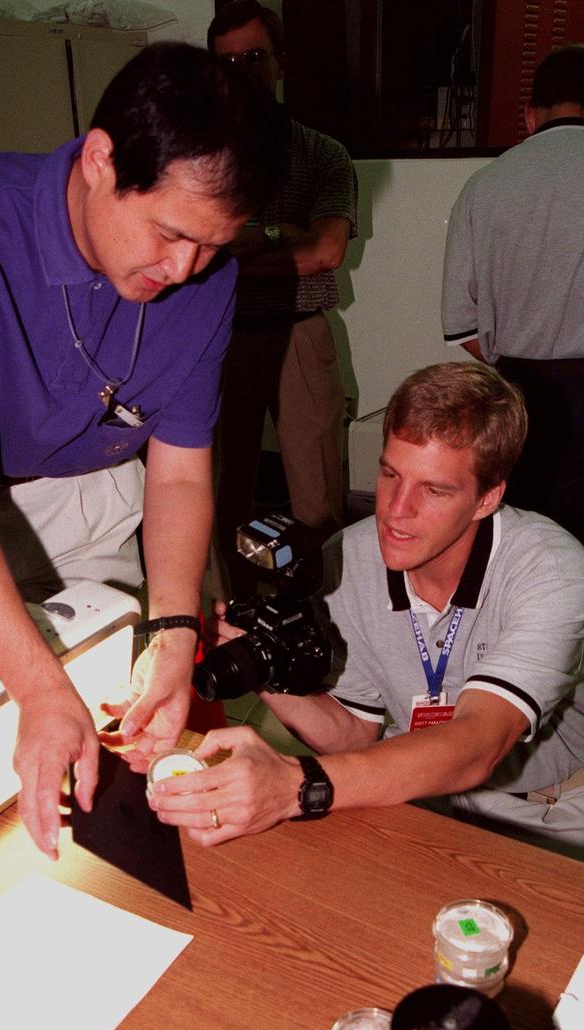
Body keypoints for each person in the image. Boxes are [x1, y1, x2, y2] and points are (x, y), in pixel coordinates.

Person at [0, 43, 286, 856]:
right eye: (170, 233)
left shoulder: (204, 275)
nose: (184, 269)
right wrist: (35, 686)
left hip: (95, 484)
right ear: (101, 160)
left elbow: (179, 474)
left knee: (112, 699)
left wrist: (174, 631)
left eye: (212, 245)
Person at [146, 362, 584, 865]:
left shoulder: (552, 569)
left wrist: (294, 784)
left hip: (543, 812)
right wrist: (264, 668)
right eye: (391, 474)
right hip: (416, 796)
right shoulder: (346, 558)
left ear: (488, 497)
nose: (395, 510)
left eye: (433, 490)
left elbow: (479, 744)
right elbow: (354, 733)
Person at [440, 43, 584, 561]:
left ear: (530, 115)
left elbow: (460, 324)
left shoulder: (485, 184)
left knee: (515, 547)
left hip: (517, 393)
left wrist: (517, 366)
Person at [207, 0, 358, 599]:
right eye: (227, 62)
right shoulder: (198, 156)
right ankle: (226, 611)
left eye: (254, 56)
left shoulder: (323, 154)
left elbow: (326, 252)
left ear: (280, 62)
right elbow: (195, 255)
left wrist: (241, 248)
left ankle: (323, 611)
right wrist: (281, 234)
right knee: (216, 488)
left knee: (317, 494)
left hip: (299, 330)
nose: (242, 71)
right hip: (217, 335)